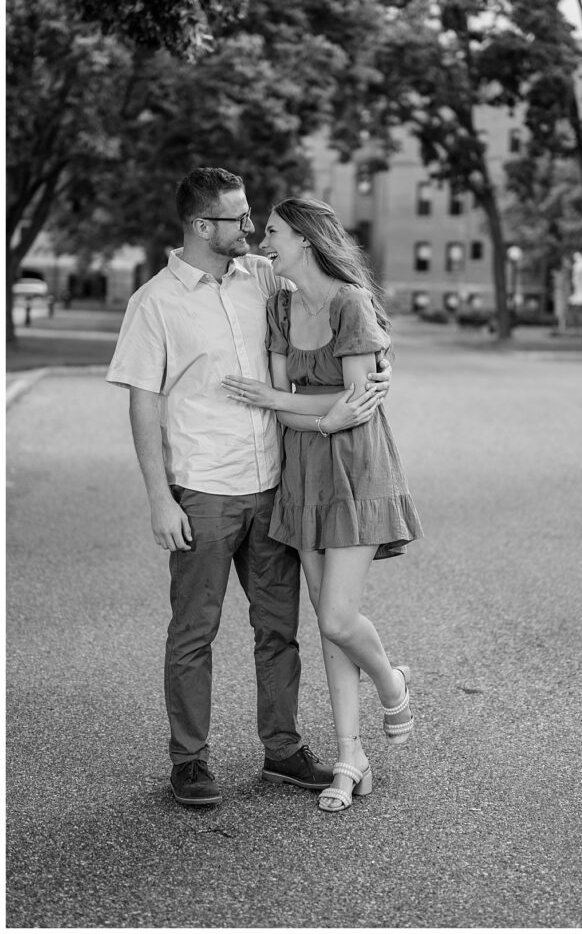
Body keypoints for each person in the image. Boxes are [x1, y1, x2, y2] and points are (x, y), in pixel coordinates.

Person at [106, 168, 391, 807]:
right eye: (239, 219)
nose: (252, 228)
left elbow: (338, 302)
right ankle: (190, 761)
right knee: (193, 632)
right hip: (203, 489)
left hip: (274, 483)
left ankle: (284, 751)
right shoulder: (154, 302)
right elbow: (143, 404)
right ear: (204, 227)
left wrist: (379, 365)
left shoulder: (263, 278)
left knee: (279, 631)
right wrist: (158, 498)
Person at [221, 197, 423, 813]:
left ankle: (392, 681)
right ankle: (349, 757)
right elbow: (285, 402)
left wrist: (311, 410)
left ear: (305, 240)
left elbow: (361, 401)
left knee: (338, 618)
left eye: (274, 232)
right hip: (304, 474)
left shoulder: (350, 304)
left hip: (357, 472)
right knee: (327, 623)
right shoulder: (281, 303)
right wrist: (323, 415)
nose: (263, 242)